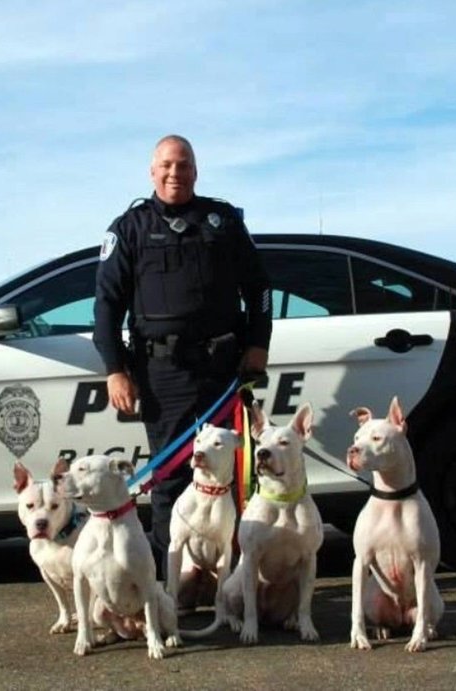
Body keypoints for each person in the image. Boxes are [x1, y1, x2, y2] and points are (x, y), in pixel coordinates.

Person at [92, 134, 272, 579]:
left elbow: (259, 288)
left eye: (184, 164)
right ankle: (168, 587)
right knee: (171, 476)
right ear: (152, 171)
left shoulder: (222, 221)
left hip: (222, 369)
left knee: (231, 474)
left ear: (196, 170)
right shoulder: (129, 228)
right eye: (168, 165)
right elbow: (107, 305)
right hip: (162, 371)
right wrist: (115, 369)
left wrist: (258, 344)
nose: (176, 173)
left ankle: (233, 584)